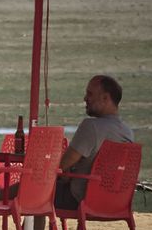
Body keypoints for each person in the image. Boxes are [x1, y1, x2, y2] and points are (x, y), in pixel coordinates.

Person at [55, 75, 136, 210]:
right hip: (115, 201)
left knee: (36, 190)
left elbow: (62, 165)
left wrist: (66, 170)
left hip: (80, 199)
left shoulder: (91, 127)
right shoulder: (127, 133)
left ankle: (6, 195)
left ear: (105, 98)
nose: (85, 98)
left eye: (90, 94)